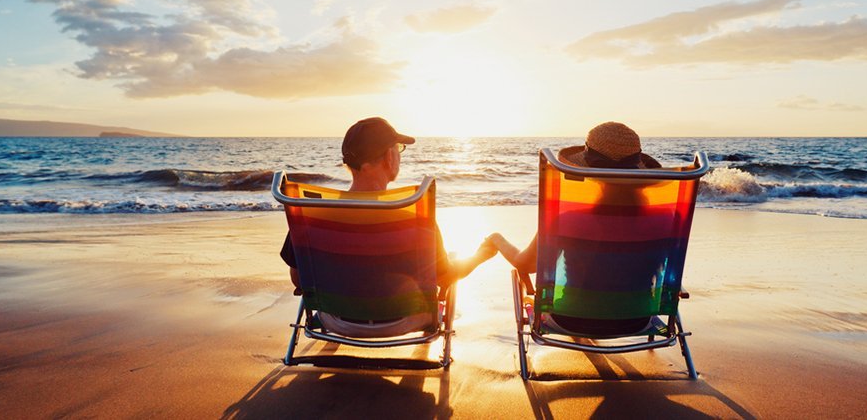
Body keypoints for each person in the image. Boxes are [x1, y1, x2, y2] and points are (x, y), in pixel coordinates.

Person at [484, 121, 665, 336]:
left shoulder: (568, 220)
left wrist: (498, 240)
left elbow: (526, 264)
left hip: (569, 320)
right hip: (637, 321)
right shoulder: (662, 222)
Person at [279, 117, 497, 295]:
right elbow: (445, 277)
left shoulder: (313, 214)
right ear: (390, 158)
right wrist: (479, 256)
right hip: (403, 320)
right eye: (398, 149)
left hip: (333, 319)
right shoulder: (414, 216)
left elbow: (298, 278)